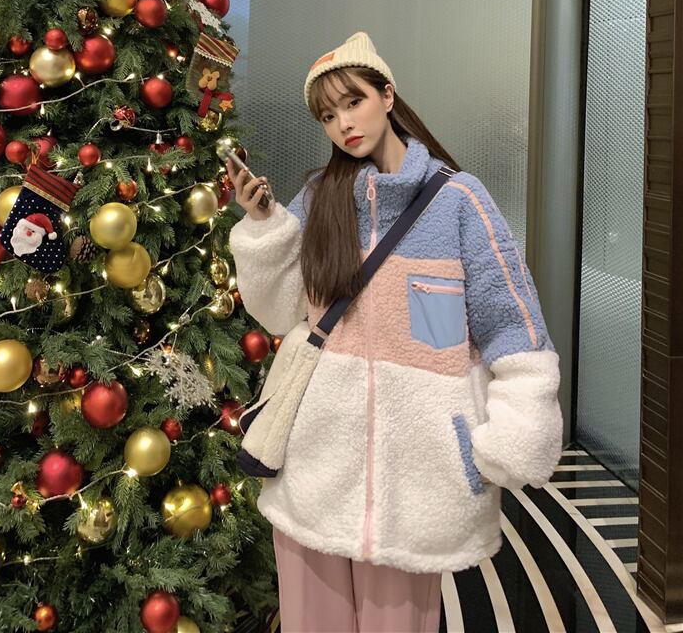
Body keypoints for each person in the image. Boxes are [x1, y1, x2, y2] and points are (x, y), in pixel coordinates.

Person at [226, 32, 563, 632]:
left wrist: (510, 434)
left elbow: (512, 325)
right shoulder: (319, 198)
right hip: (315, 466)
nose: (343, 123)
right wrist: (263, 227)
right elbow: (280, 312)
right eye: (328, 115)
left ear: (387, 95)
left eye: (353, 101)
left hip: (418, 481)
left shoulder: (459, 201)